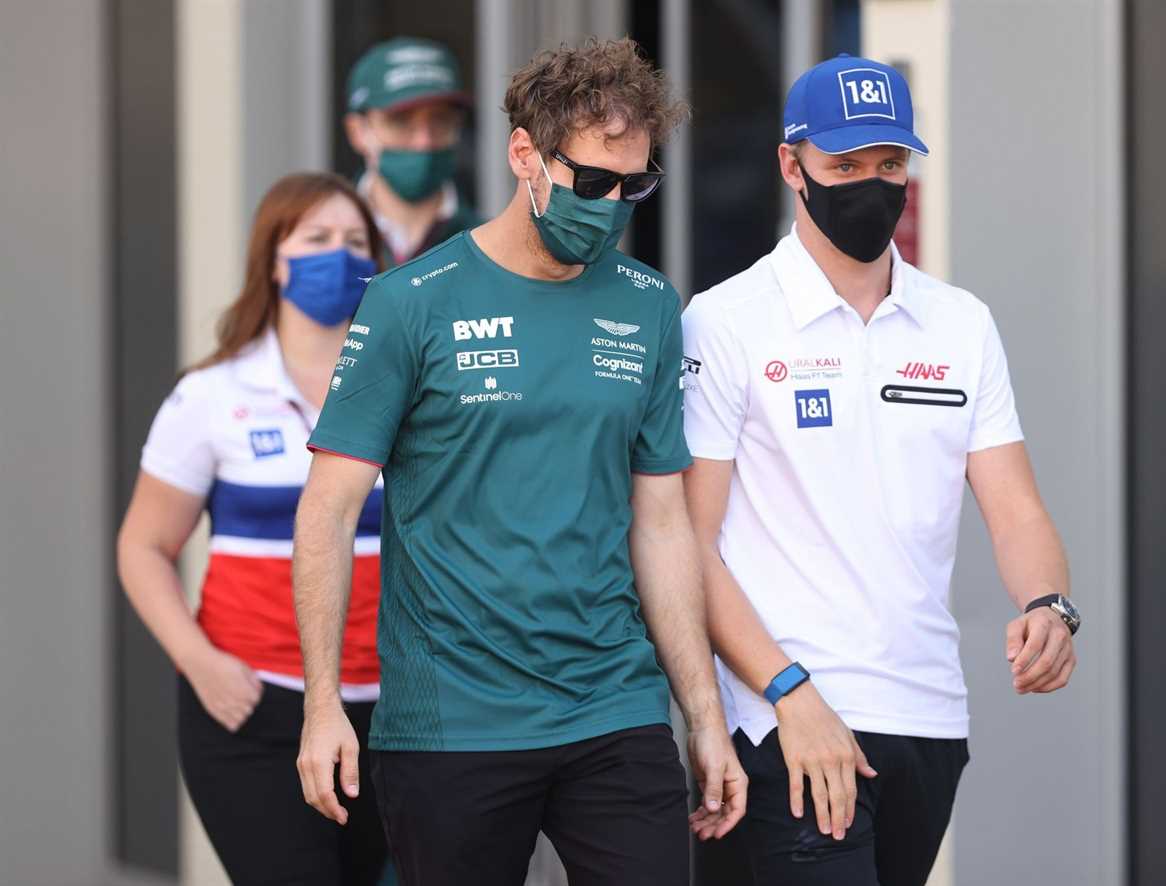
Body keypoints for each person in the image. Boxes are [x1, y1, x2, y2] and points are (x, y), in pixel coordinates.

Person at [293, 37, 747, 886]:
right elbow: (327, 507)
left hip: (615, 704)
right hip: (454, 722)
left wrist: (705, 716)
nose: (612, 207)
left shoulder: (649, 307)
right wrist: (324, 707)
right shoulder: (407, 305)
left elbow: (662, 525)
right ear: (524, 156)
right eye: (593, 182)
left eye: (634, 186)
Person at [682, 55, 1081, 886]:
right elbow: (690, 543)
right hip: (786, 720)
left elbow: (1016, 511)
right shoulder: (724, 323)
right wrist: (788, 693)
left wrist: (1048, 604)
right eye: (845, 167)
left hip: (928, 716)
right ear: (791, 166)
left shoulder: (960, 323)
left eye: (889, 165)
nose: (872, 184)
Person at [117, 173, 390, 885]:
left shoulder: (406, 391)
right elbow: (143, 547)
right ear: (274, 258)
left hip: (395, 716)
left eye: (355, 241)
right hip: (253, 709)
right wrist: (199, 663)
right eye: (317, 239)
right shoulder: (211, 395)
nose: (339, 254)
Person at [344, 37, 480, 267]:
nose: (423, 141)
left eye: (441, 120)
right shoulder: (325, 244)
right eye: (400, 121)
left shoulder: (489, 247)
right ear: (357, 132)